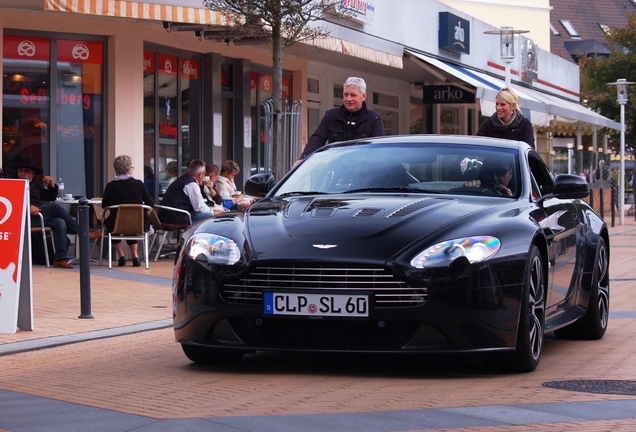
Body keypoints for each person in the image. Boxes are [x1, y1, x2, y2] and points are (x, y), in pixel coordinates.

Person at [11, 157, 98, 269]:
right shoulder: (14, 184)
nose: (22, 173)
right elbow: (11, 202)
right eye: (20, 170)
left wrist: (51, 185)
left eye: (26, 171)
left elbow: (50, 197)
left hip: (40, 216)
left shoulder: (35, 184)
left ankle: (60, 258)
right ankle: (82, 232)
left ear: (32, 173)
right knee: (56, 207)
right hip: (25, 218)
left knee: (60, 222)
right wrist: (27, 206)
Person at [296, 77, 385, 163]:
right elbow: (317, 139)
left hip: (362, 172)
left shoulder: (374, 119)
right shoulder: (331, 116)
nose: (348, 99)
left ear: (364, 96)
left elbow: (378, 150)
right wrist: (304, 159)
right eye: (346, 95)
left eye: (353, 95)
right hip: (336, 169)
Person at [101, 155, 155, 267]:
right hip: (138, 223)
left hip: (116, 223)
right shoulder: (139, 184)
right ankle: (135, 256)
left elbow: (105, 205)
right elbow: (150, 203)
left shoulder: (111, 186)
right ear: (129, 169)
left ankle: (121, 255)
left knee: (113, 226)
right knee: (131, 223)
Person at [160, 159, 214, 223]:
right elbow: (199, 208)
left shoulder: (183, 179)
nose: (204, 176)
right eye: (204, 173)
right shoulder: (191, 184)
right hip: (176, 217)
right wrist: (212, 212)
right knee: (210, 215)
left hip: (168, 215)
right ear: (200, 174)